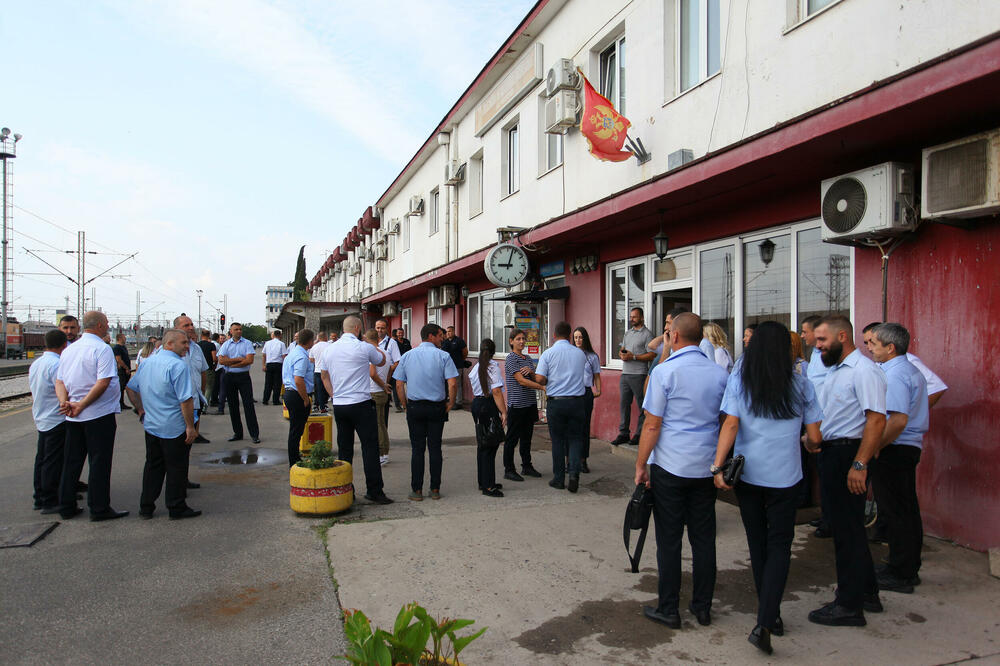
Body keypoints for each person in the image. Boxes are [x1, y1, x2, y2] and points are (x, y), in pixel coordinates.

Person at [712, 321, 823, 655]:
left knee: (758, 544)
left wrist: (718, 466)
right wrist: (806, 440)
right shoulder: (802, 385)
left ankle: (770, 615)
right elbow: (815, 437)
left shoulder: (741, 381)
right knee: (780, 546)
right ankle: (766, 619)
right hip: (787, 479)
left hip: (748, 477)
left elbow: (730, 424)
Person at [635, 313, 728, 630]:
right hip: (705, 468)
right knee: (704, 540)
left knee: (670, 540)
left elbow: (652, 424)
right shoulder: (718, 374)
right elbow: (725, 421)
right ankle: (703, 608)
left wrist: (640, 464)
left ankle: (669, 608)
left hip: (670, 467)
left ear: (674, 336)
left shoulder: (665, 372)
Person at [807, 314, 885, 627]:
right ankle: (867, 592)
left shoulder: (864, 371)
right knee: (847, 528)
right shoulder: (837, 369)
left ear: (842, 337)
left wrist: (860, 464)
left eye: (822, 340)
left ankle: (849, 605)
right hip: (832, 451)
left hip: (848, 455)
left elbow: (876, 420)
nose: (817, 345)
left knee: (847, 532)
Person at [868, 323, 929, 594]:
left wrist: (873, 447)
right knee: (904, 509)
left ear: (890, 348)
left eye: (874, 344)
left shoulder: (896, 374)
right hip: (904, 448)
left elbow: (896, 420)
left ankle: (902, 572)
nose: (869, 348)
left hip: (896, 448)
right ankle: (903, 565)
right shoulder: (908, 370)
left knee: (897, 511)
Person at [53, 310, 128, 521]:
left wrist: (65, 403)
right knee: (99, 462)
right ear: (102, 326)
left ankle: (66, 506)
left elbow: (60, 382)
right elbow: (103, 382)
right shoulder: (102, 349)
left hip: (73, 417)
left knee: (71, 461)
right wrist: (82, 404)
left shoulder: (69, 350)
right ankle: (99, 508)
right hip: (98, 415)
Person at [126, 328, 201, 520]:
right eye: (183, 343)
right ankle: (176, 507)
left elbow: (131, 387)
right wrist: (190, 426)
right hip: (174, 427)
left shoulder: (148, 362)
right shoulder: (178, 366)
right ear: (169, 344)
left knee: (153, 466)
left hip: (152, 426)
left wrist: (140, 409)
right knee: (177, 467)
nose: (187, 346)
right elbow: (186, 400)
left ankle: (146, 506)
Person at [321, 316, 392, 504]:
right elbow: (382, 361)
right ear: (358, 328)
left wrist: (334, 395)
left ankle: (346, 490)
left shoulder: (329, 350)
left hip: (340, 405)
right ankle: (374, 491)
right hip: (361, 403)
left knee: (345, 450)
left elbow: (324, 376)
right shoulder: (364, 347)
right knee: (370, 448)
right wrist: (372, 344)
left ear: (343, 329)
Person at [394, 323, 458, 501]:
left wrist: (405, 404)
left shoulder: (407, 355)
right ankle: (435, 489)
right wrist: (450, 403)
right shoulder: (443, 356)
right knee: (435, 448)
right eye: (439, 335)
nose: (442, 338)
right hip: (436, 407)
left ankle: (417, 490)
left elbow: (399, 384)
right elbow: (452, 383)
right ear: (431, 336)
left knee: (417, 449)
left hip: (415, 407)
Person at [533, 322, 587, 493]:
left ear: (554, 336)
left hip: (556, 402)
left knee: (557, 441)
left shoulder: (548, 354)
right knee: (575, 439)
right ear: (570, 335)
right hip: (577, 401)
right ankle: (574, 475)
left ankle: (558, 479)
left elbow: (540, 379)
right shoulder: (580, 354)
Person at [863, 322, 948, 408]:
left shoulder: (908, 361)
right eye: (866, 343)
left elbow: (937, 387)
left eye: (872, 342)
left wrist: (914, 413)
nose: (869, 347)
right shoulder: (878, 364)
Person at [30, 329, 68, 513]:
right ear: (64, 345)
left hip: (41, 416)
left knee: (42, 459)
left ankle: (39, 496)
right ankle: (50, 500)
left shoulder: (37, 363)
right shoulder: (57, 365)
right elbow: (62, 388)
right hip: (56, 417)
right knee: (54, 461)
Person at [502, 328, 545, 482]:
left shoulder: (527, 358)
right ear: (511, 341)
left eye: (523, 339)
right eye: (518, 339)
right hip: (517, 404)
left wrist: (532, 372)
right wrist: (541, 388)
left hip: (529, 404)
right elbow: (520, 380)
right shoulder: (511, 358)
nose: (521, 342)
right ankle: (509, 469)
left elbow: (534, 379)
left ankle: (527, 466)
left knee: (527, 438)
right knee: (512, 439)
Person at [470, 338, 507, 497]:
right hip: (488, 404)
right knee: (490, 445)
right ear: (493, 352)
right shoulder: (492, 368)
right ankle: (489, 486)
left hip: (477, 404)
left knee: (483, 444)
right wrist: (504, 412)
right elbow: (497, 392)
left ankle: (484, 481)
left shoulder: (476, 367)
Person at [614, 307, 655, 446]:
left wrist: (634, 357)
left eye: (635, 317)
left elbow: (652, 354)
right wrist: (622, 354)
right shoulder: (628, 333)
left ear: (642, 318)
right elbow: (622, 349)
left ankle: (639, 434)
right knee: (624, 405)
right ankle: (624, 433)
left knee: (641, 406)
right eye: (631, 317)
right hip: (625, 374)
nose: (632, 319)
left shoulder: (647, 334)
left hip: (639, 374)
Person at [218, 322, 260, 443]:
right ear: (231, 331)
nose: (239, 331)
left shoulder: (247, 343)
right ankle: (238, 433)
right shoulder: (226, 344)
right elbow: (221, 360)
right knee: (233, 405)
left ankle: (254, 434)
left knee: (248, 405)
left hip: (243, 377)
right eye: (236, 329)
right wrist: (238, 359)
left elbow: (249, 360)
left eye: (240, 329)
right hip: (229, 376)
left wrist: (230, 362)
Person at [174, 316, 210, 454]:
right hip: (177, 407)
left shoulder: (197, 349)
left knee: (186, 449)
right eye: (186, 325)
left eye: (191, 324)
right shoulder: (169, 351)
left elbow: (202, 372)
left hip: (195, 402)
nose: (191, 327)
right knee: (176, 447)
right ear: (177, 329)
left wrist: (201, 392)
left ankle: (182, 475)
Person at [282, 328, 314, 467]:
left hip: (290, 393)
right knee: (296, 430)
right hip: (297, 394)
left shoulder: (293, 353)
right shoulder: (301, 356)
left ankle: (294, 457)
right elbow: (298, 379)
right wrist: (305, 399)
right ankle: (294, 460)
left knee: (296, 429)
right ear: (310, 341)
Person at [573, 326, 601, 474]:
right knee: (571, 428)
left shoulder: (592, 356)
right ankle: (570, 461)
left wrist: (599, 389)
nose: (578, 340)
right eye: (575, 337)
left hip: (586, 393)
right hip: (572, 393)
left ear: (585, 338)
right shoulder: (570, 354)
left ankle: (583, 460)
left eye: (580, 337)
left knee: (584, 428)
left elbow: (596, 375)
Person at [364, 329, 393, 465]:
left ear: (367, 339)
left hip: (374, 391)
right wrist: (386, 384)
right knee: (381, 423)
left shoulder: (372, 354)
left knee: (377, 424)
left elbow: (372, 373)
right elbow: (390, 369)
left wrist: (382, 385)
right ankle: (384, 451)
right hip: (381, 392)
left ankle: (381, 453)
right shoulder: (386, 353)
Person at [374, 318, 402, 458]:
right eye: (378, 328)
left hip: (386, 380)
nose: (380, 331)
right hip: (373, 384)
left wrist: (388, 371)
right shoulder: (371, 343)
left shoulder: (392, 343)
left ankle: (383, 443)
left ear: (387, 329)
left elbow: (397, 361)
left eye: (382, 328)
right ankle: (379, 441)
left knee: (383, 415)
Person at [441, 326, 469, 408]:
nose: (448, 333)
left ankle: (458, 402)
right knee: (447, 383)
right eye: (447, 331)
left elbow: (465, 352)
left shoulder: (459, 341)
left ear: (453, 332)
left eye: (450, 331)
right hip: (446, 366)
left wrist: (461, 360)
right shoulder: (445, 342)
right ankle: (448, 399)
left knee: (457, 383)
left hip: (457, 365)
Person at [261, 330, 287, 406]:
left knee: (268, 383)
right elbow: (284, 356)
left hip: (269, 364)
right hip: (278, 365)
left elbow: (264, 355)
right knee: (277, 384)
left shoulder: (267, 343)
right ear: (280, 335)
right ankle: (275, 400)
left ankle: (265, 399)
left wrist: (263, 365)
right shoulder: (281, 344)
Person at [310, 332, 331, 412]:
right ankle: (323, 405)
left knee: (318, 389)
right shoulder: (330, 346)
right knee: (326, 388)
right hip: (327, 371)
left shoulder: (314, 347)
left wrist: (317, 361)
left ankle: (317, 405)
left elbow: (311, 359)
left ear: (318, 338)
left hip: (317, 370)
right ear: (326, 337)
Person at [392, 328, 412, 412]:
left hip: (407, 365)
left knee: (410, 383)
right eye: (399, 333)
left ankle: (410, 402)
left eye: (402, 333)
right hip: (397, 365)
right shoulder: (394, 343)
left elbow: (411, 351)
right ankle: (398, 405)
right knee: (397, 385)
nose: (400, 334)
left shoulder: (407, 341)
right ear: (396, 334)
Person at [197, 329, 217, 408]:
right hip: (209, 368)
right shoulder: (211, 345)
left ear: (201, 335)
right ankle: (204, 407)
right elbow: (214, 358)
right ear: (209, 336)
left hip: (198, 369)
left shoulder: (197, 345)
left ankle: (199, 405)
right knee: (208, 387)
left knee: (200, 387)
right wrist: (215, 364)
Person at [111, 333, 132, 409]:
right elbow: (118, 359)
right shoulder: (117, 348)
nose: (125, 338)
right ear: (119, 338)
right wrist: (126, 368)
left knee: (123, 387)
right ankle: (120, 403)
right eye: (124, 337)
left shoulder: (123, 347)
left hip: (126, 370)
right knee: (121, 387)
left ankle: (122, 403)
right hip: (122, 371)